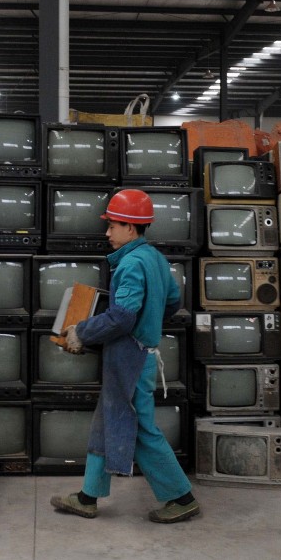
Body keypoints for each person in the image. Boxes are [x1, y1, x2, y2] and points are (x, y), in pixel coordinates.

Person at [49, 188, 200, 524]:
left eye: (112, 225)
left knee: (141, 428)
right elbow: (172, 302)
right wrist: (149, 322)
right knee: (107, 421)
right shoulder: (156, 259)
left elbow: (122, 316)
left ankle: (182, 497)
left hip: (129, 359)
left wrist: (82, 332)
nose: (107, 232)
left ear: (130, 228)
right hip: (140, 353)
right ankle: (88, 497)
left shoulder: (130, 264)